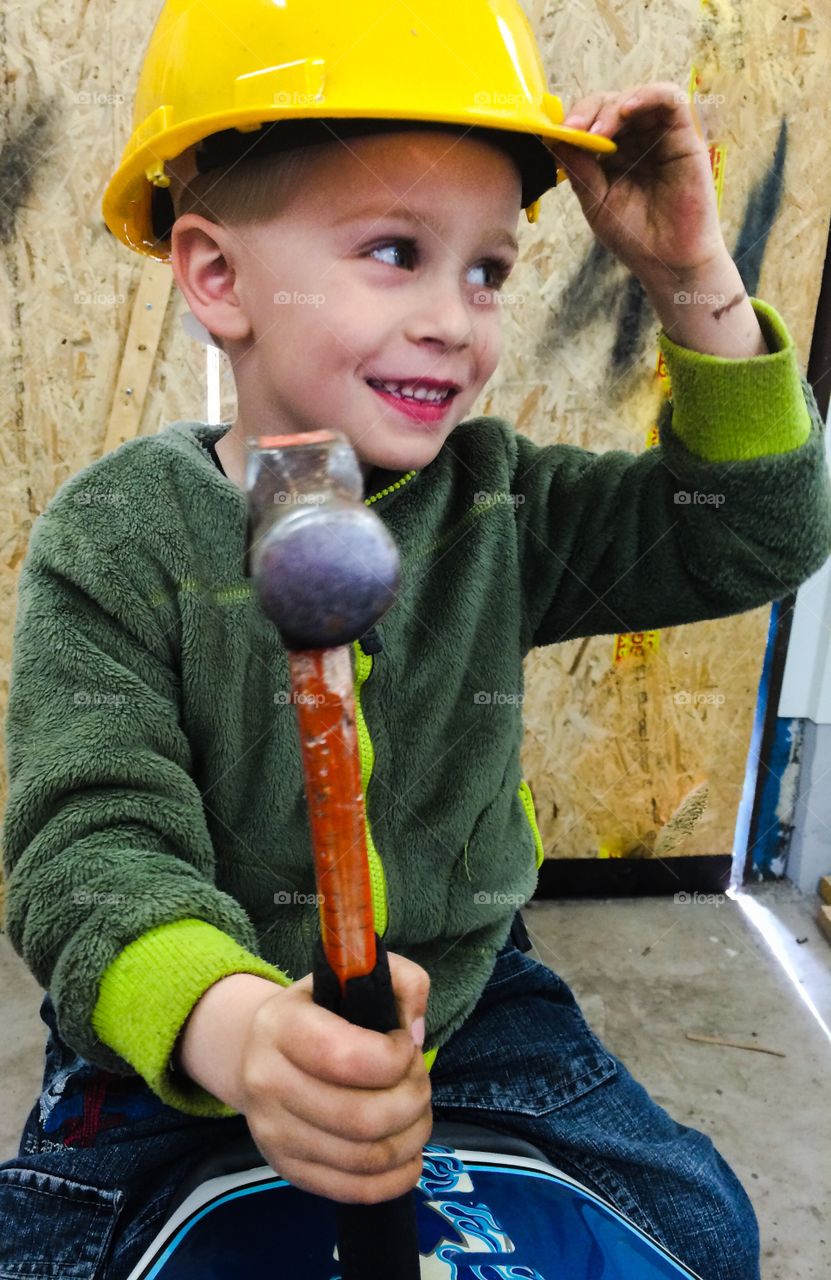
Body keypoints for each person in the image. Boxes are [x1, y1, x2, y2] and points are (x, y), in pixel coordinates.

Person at [2, 2, 830, 1277]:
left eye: (488, 269)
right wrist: (237, 1030)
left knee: (703, 1228)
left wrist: (685, 280)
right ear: (218, 276)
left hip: (472, 1004)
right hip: (186, 1035)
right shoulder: (116, 541)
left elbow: (748, 537)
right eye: (397, 251)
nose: (457, 316)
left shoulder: (498, 500)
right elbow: (86, 848)